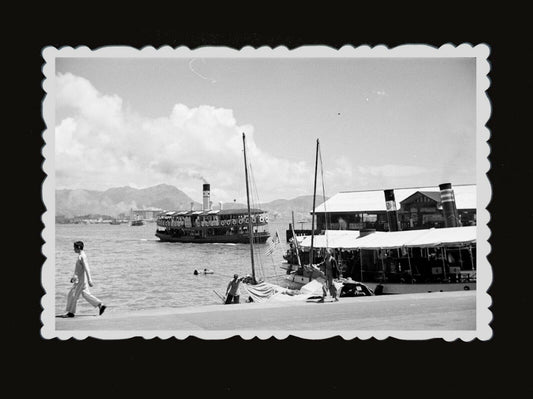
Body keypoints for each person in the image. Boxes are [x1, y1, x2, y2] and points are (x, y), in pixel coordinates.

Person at [63, 241, 107, 317]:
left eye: (75, 247)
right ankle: (100, 305)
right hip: (80, 280)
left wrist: (90, 280)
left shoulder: (82, 256)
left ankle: (71, 313)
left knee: (73, 295)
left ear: (79, 247)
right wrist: (73, 278)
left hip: (81, 281)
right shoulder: (80, 256)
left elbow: (87, 268)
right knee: (86, 295)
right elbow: (78, 270)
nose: (73, 249)